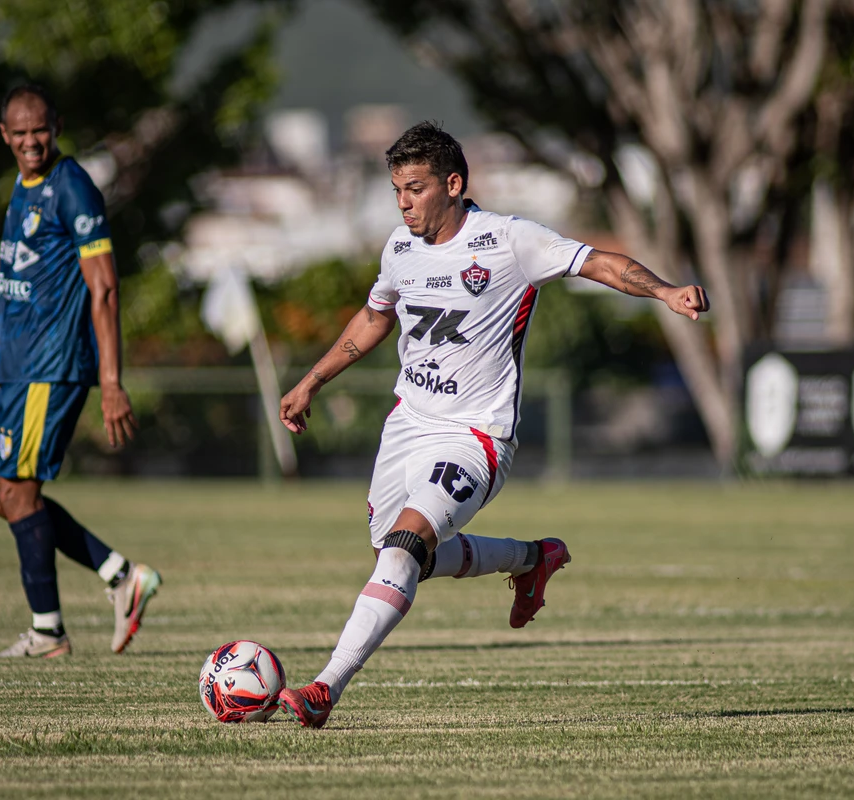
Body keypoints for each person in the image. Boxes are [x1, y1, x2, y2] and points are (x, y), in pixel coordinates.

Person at [276, 122, 710, 727]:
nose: (403, 201)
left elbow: (597, 262)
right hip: (408, 425)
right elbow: (375, 318)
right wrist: (311, 380)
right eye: (397, 188)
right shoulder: (400, 249)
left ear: (453, 184)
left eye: (416, 187)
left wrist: (663, 291)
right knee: (405, 556)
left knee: (404, 548)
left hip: (474, 436)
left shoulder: (508, 240)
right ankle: (531, 558)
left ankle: (324, 688)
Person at [0, 84, 160, 658]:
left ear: (56, 126)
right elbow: (25, 266)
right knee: (1, 494)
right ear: (4, 137)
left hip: (50, 363)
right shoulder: (22, 186)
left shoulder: (72, 187)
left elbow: (104, 287)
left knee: (16, 491)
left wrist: (111, 383)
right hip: (18, 364)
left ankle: (48, 632)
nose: (32, 140)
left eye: (41, 129)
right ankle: (120, 576)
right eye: (21, 133)